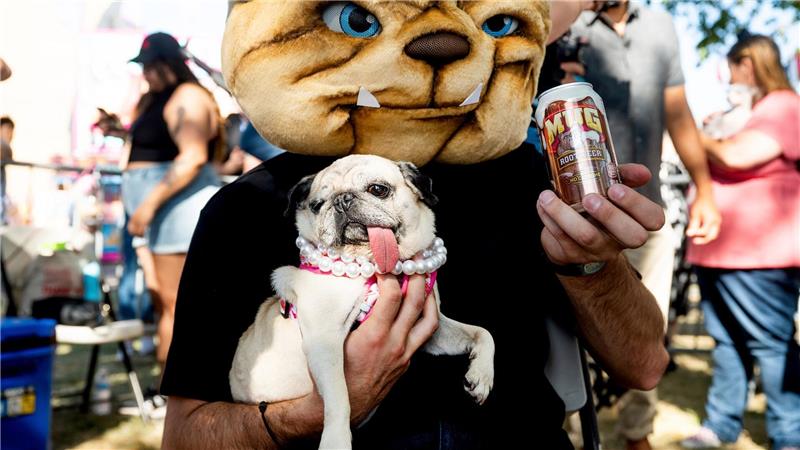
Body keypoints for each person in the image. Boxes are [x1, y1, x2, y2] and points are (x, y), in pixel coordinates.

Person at [160, 3, 669, 449]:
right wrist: (323, 411)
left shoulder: (531, 182)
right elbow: (185, 437)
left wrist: (592, 265)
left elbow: (644, 364)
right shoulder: (248, 207)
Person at [563, 2, 722, 448]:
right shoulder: (566, 18)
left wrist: (705, 190)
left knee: (648, 332)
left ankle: (637, 433)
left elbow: (678, 111)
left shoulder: (661, 25)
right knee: (571, 335)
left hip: (647, 213)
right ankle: (573, 436)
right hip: (576, 222)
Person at [681, 34, 800, 450]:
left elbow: (737, 155)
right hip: (719, 249)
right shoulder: (749, 108)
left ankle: (790, 434)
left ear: (747, 64)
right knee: (727, 340)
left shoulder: (783, 105)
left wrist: (693, 134)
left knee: (770, 343)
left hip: (759, 252)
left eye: (731, 68)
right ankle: (722, 424)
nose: (729, 76)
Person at [116, 32, 222, 378]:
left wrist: (147, 208)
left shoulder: (187, 97)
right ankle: (171, 386)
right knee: (165, 302)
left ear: (167, 64)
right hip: (160, 214)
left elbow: (192, 157)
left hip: (175, 211)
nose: (144, 74)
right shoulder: (161, 98)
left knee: (177, 305)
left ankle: (179, 390)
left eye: (149, 66)